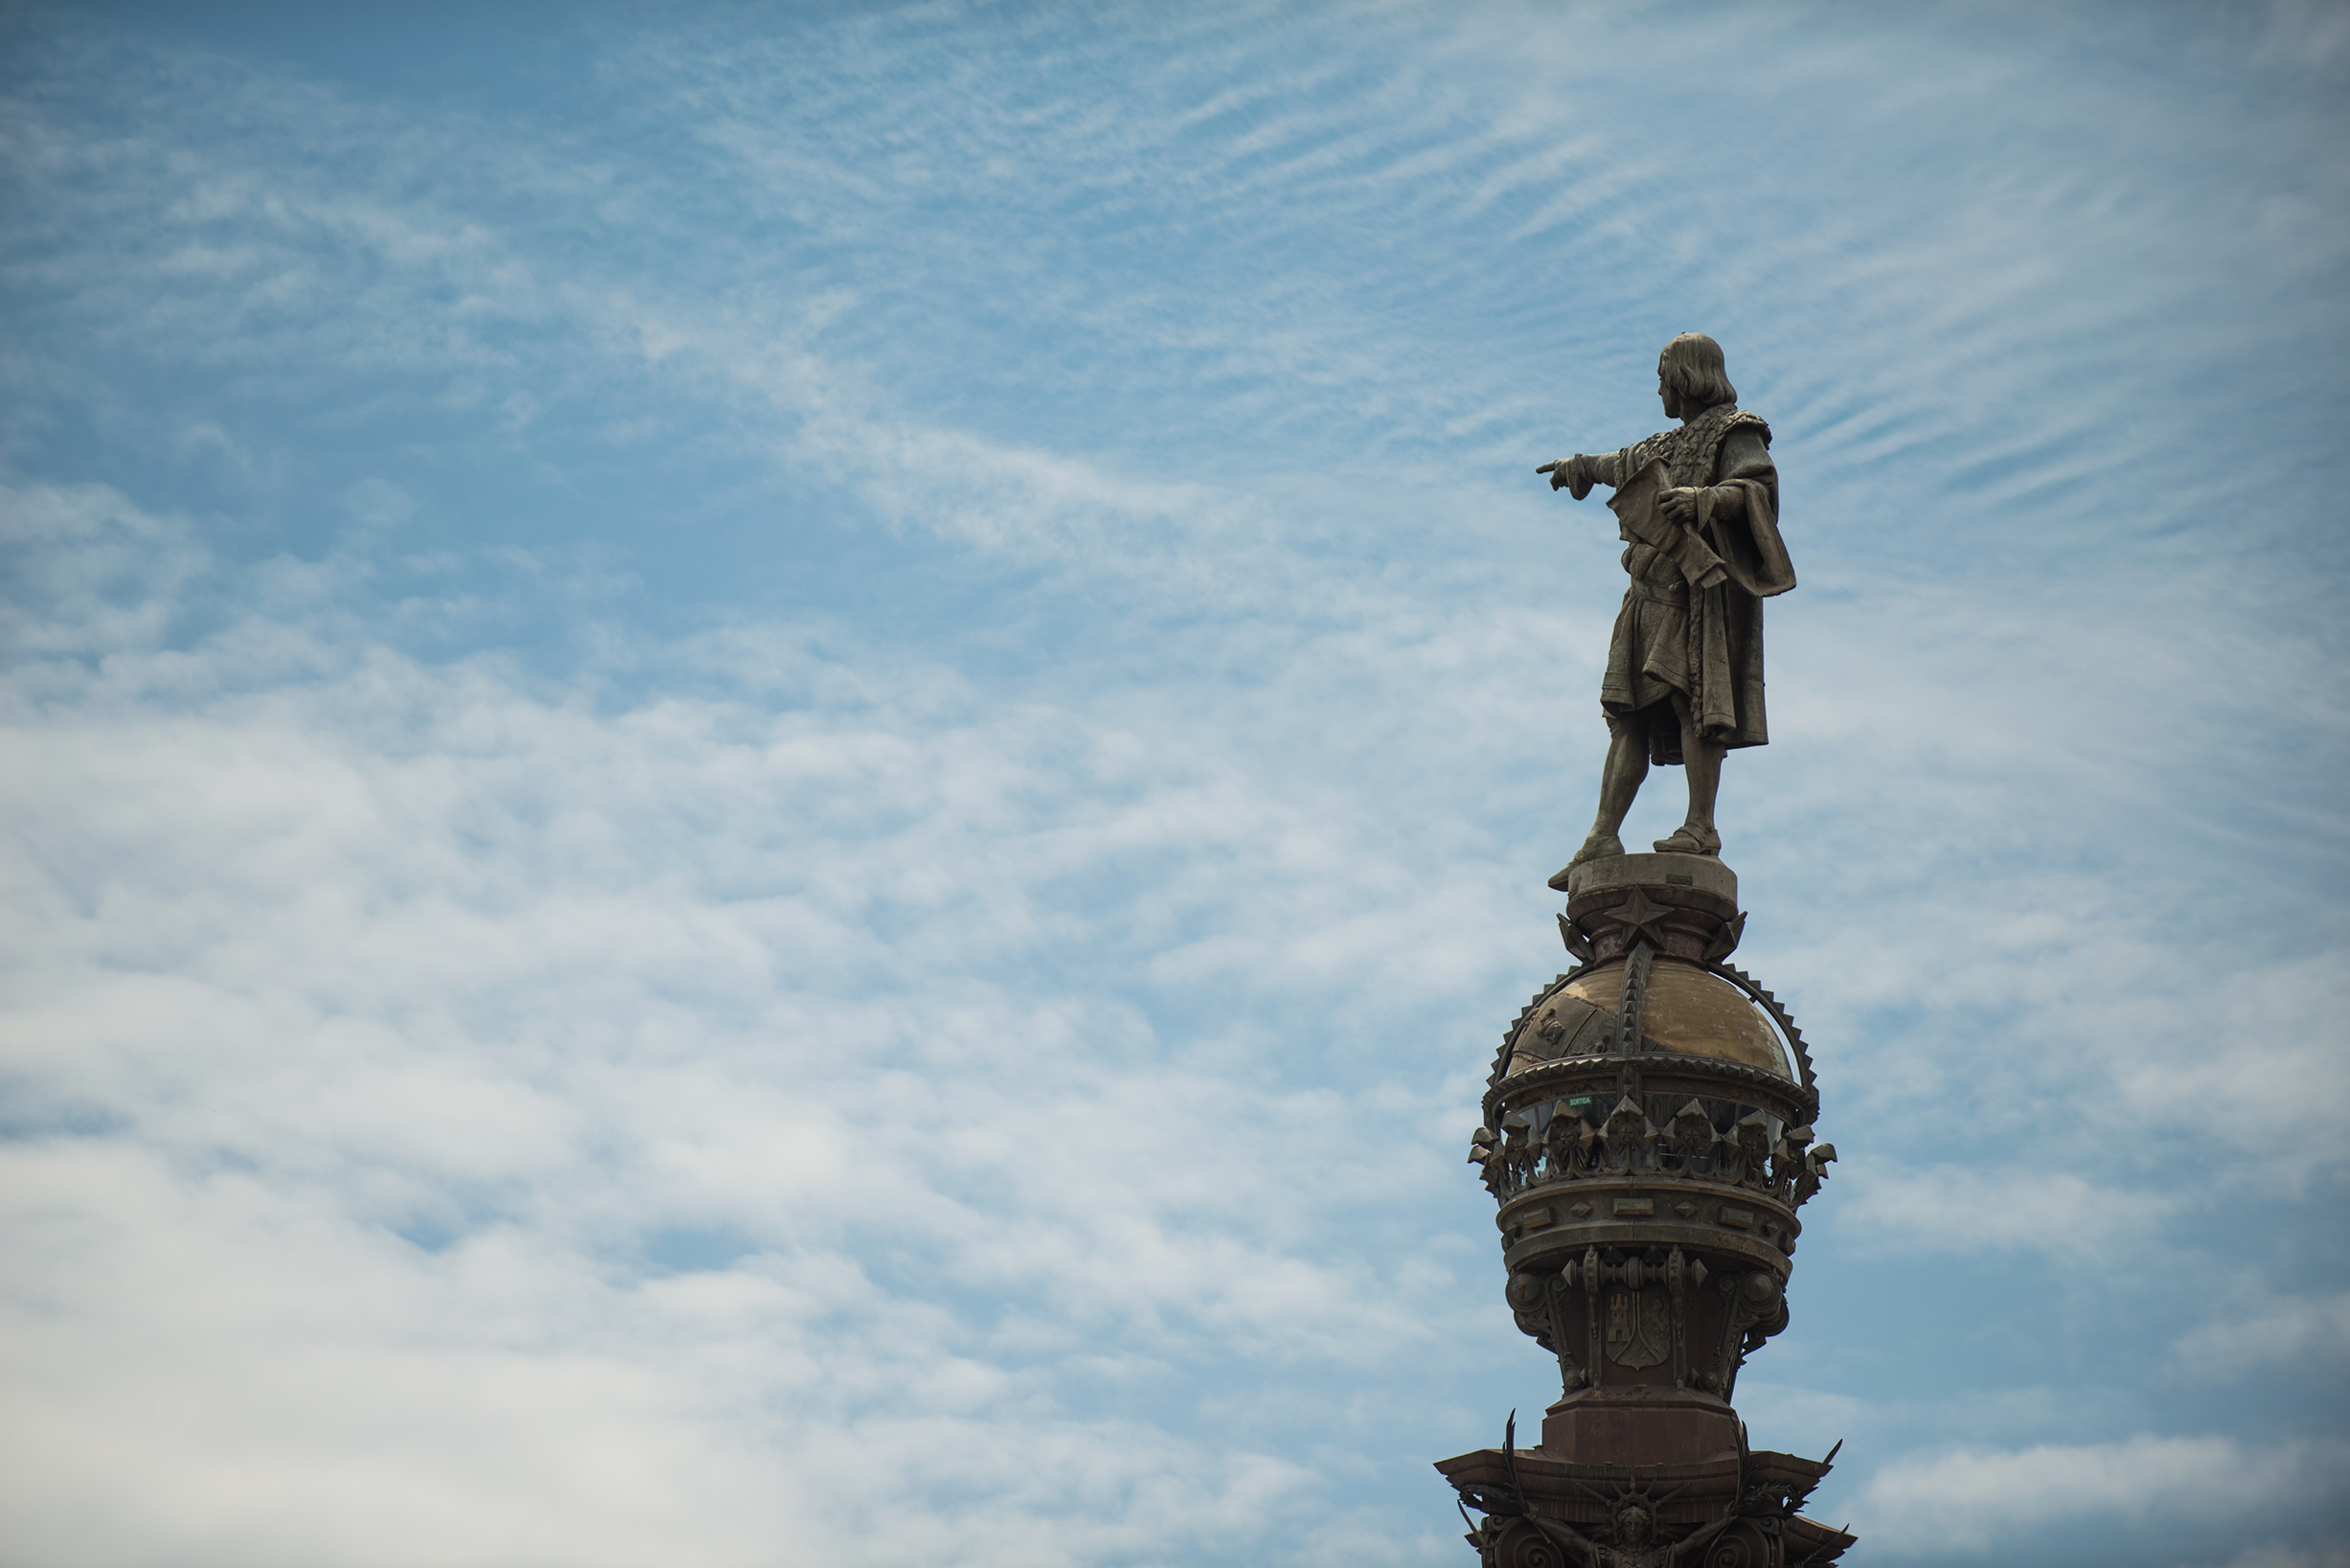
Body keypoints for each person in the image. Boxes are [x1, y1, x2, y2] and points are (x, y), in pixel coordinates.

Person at [1538, 334, 1795, 889]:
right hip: (1646, 590)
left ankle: (1700, 827)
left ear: (1687, 377)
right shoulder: (1661, 444)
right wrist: (1577, 465)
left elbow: (1757, 489)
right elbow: (1620, 465)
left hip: (1694, 590)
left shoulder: (1737, 430)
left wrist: (1705, 500)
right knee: (1627, 714)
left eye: (1662, 376)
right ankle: (1602, 835)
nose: (1658, 388)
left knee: (1692, 699)